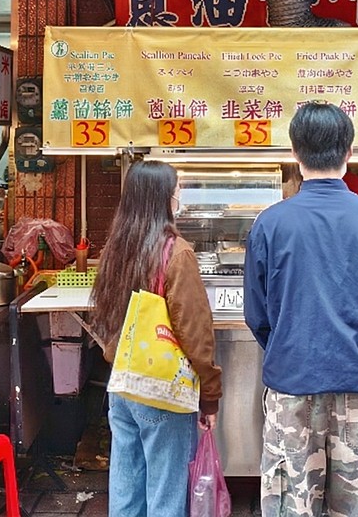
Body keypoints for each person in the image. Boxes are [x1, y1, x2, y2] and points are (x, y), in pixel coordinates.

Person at [244, 102, 358, 517]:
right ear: (349, 153)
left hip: (291, 382)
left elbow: (257, 315)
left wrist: (289, 342)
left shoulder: (270, 223)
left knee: (291, 502)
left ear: (294, 153)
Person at [90, 160, 222, 517]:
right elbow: (194, 332)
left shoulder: (116, 248)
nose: (179, 195)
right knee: (166, 492)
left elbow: (106, 314)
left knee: (126, 487)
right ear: (164, 197)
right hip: (162, 390)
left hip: (122, 385)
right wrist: (210, 395)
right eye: (176, 189)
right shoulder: (175, 252)